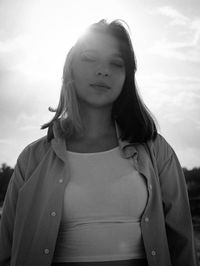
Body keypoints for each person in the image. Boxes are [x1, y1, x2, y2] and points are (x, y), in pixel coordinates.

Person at [0, 19, 197, 266]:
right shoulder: (33, 158)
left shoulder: (156, 151)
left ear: (127, 77)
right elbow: (6, 249)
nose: (103, 70)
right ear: (69, 68)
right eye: (90, 58)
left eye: (116, 63)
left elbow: (182, 243)